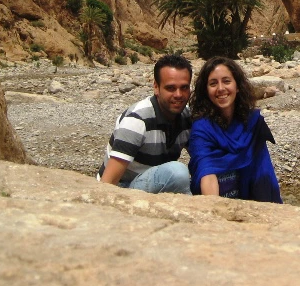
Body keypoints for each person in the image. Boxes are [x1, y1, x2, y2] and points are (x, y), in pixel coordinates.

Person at [187, 57, 282, 203]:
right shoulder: (202, 128)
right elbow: (205, 169)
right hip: (219, 203)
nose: (220, 89)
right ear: (206, 90)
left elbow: (262, 170)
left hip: (253, 203)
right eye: (213, 84)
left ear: (237, 86)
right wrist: (215, 211)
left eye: (226, 81)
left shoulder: (252, 122)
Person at [97, 54, 193, 194]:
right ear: (156, 87)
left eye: (184, 88)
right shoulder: (137, 120)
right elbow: (108, 183)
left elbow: (202, 157)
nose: (178, 95)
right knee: (178, 172)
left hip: (155, 184)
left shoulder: (186, 118)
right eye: (170, 88)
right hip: (123, 187)